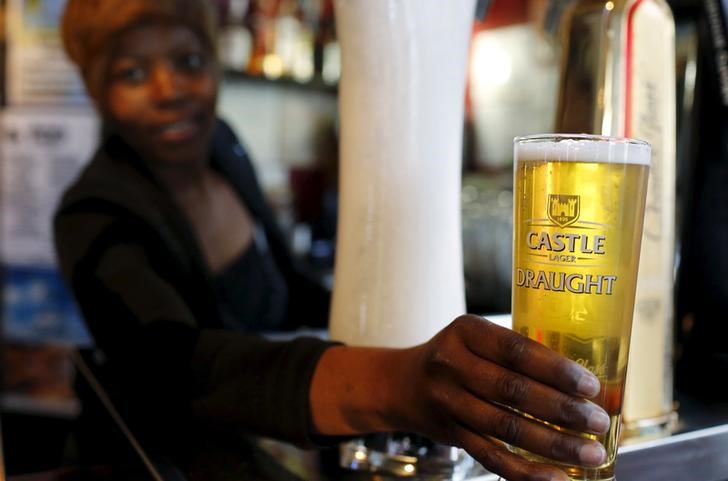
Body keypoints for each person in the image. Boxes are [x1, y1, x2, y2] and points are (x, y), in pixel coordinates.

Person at [54, 1, 611, 480]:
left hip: (268, 443)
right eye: (131, 73)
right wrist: (396, 381)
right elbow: (177, 369)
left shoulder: (223, 151)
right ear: (95, 89)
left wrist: (405, 342)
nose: (168, 89)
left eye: (188, 61)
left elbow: (288, 293)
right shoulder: (93, 213)